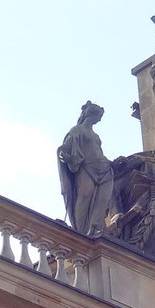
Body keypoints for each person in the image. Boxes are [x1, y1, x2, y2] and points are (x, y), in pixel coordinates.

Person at [57, 101, 114, 236]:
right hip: (86, 167)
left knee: (102, 200)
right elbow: (65, 148)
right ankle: (81, 231)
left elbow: (98, 152)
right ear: (91, 114)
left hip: (104, 169)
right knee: (84, 195)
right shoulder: (76, 130)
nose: (99, 120)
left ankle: (95, 228)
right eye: (98, 117)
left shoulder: (95, 135)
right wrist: (65, 156)